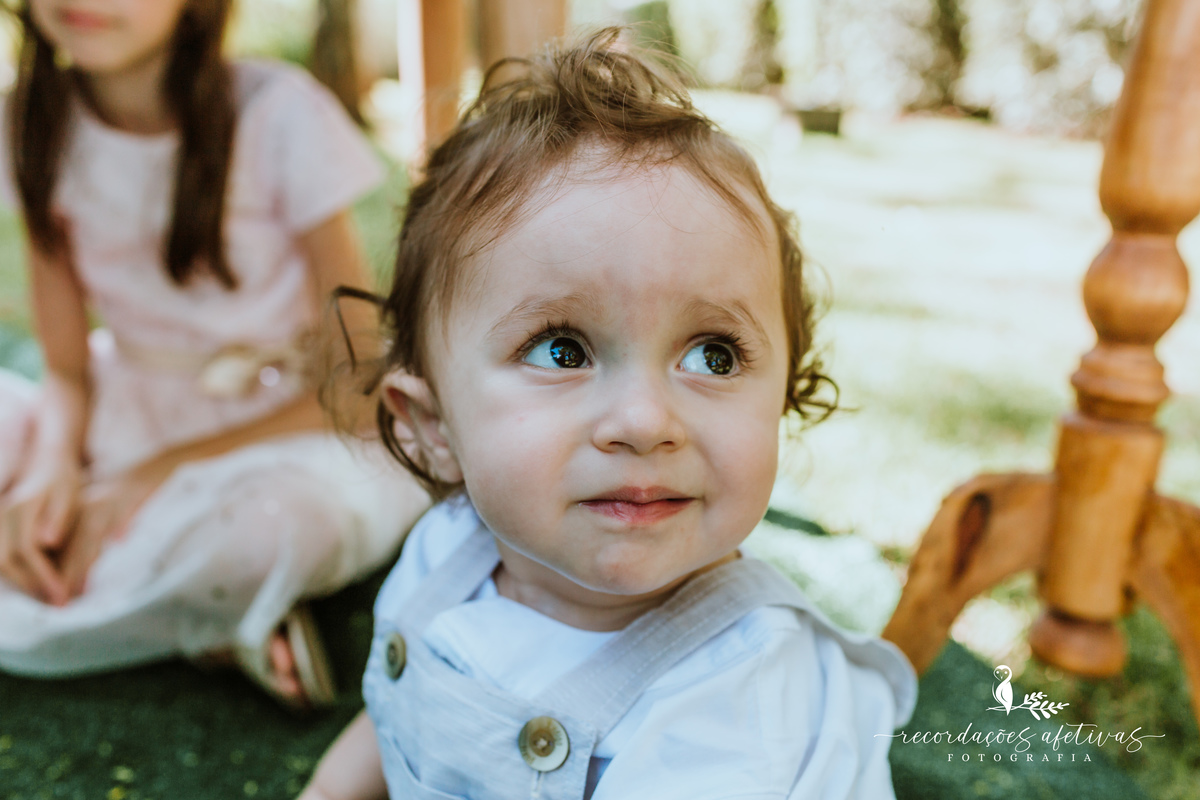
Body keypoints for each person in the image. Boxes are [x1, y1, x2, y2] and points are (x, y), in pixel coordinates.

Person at [300, 28, 917, 800]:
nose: (644, 421)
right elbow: (405, 703)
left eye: (713, 355)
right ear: (433, 429)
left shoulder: (731, 708)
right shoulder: (447, 553)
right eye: (562, 350)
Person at [0, 0, 428, 709]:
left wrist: (143, 481)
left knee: (278, 528)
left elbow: (356, 384)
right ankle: (219, 616)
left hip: (296, 425)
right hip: (132, 403)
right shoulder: (30, 121)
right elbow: (69, 373)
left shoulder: (278, 112)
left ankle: (206, 595)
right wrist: (49, 472)